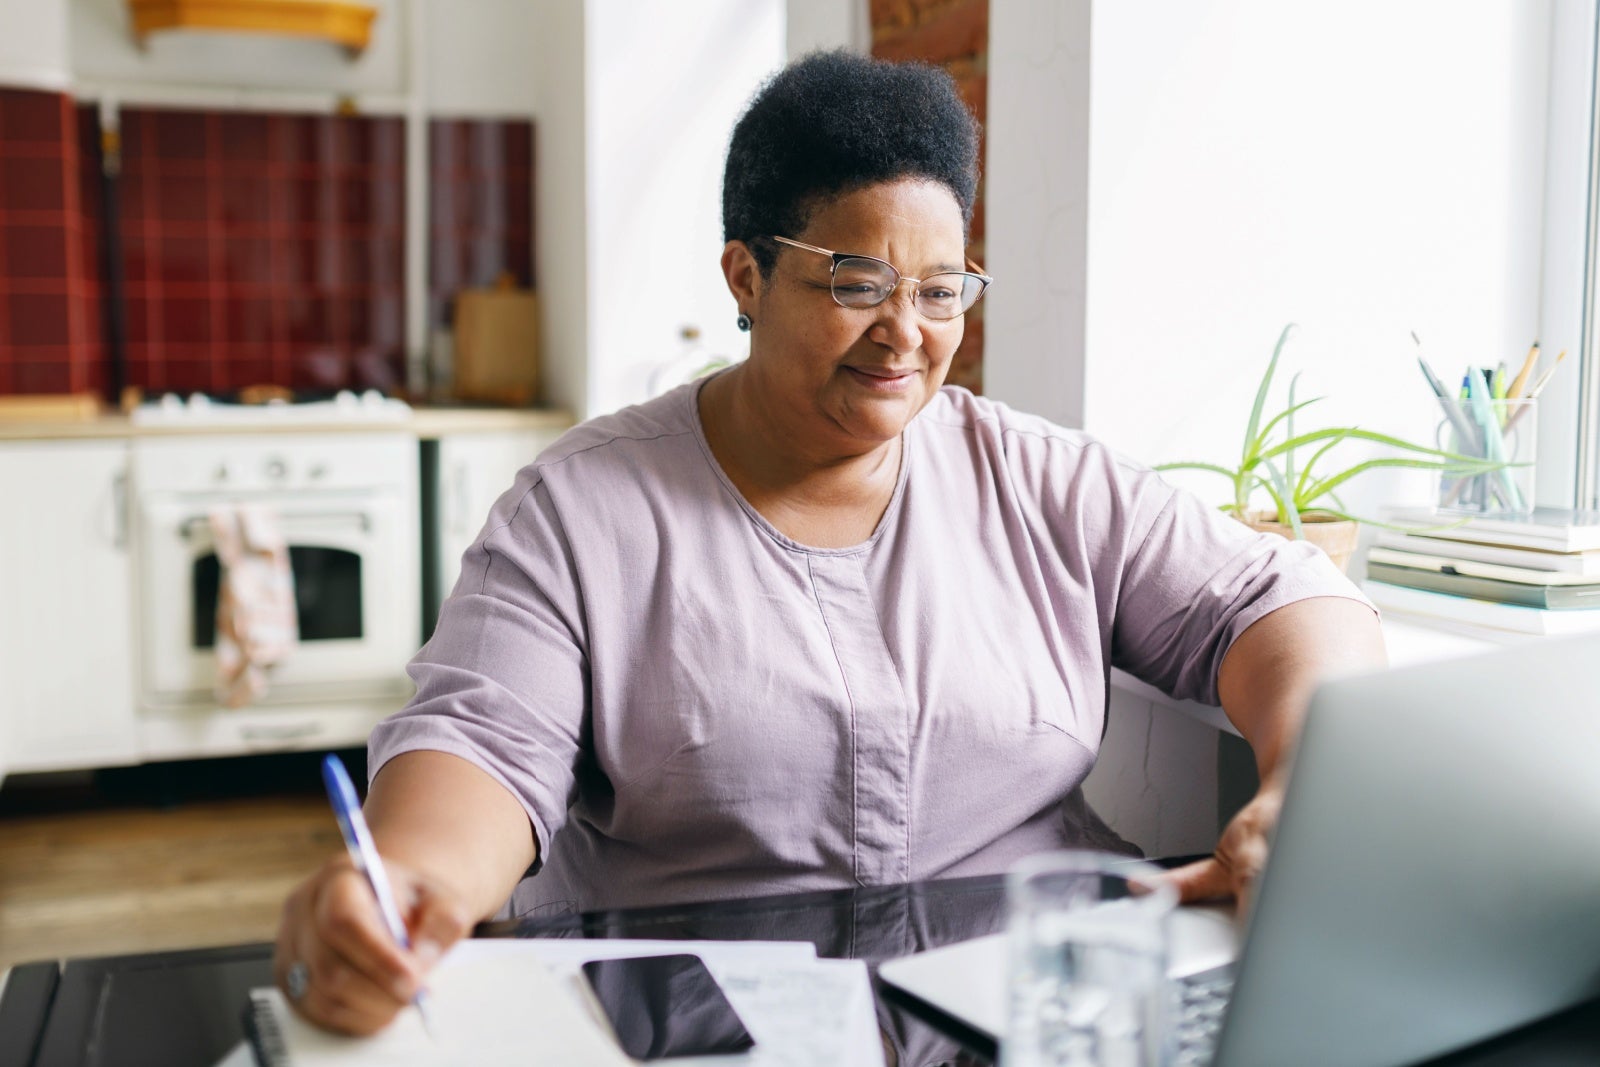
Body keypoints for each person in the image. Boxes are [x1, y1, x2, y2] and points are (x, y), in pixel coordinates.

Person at [274, 50, 1385, 1036]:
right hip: (697, 1021)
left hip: (1020, 1010)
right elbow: (481, 741)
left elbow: (1281, 599)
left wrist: (1296, 782)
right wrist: (407, 885)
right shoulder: (580, 509)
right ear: (745, 277)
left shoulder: (1037, 476)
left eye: (941, 290)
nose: (907, 334)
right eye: (857, 284)